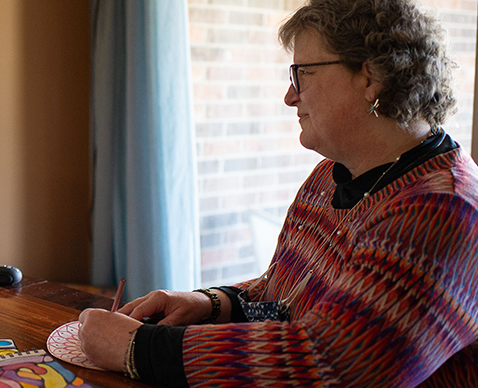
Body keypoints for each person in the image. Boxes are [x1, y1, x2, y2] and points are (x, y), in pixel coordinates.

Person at [78, 0, 478, 386]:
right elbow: (283, 300)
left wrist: (138, 348)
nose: (290, 96)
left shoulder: (446, 209)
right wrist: (215, 303)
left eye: (302, 73)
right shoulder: (330, 178)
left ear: (370, 76)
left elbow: (331, 362)